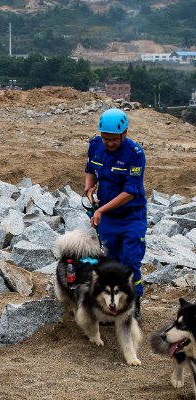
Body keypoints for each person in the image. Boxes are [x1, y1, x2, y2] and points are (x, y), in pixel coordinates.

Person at [85, 108, 147, 323]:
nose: (108, 143)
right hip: (108, 219)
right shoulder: (95, 145)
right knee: (109, 264)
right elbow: (90, 170)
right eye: (105, 139)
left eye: (113, 140)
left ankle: (134, 305)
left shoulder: (135, 155)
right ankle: (109, 309)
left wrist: (101, 210)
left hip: (132, 217)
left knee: (129, 262)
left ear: (125, 133)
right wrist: (88, 190)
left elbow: (130, 192)